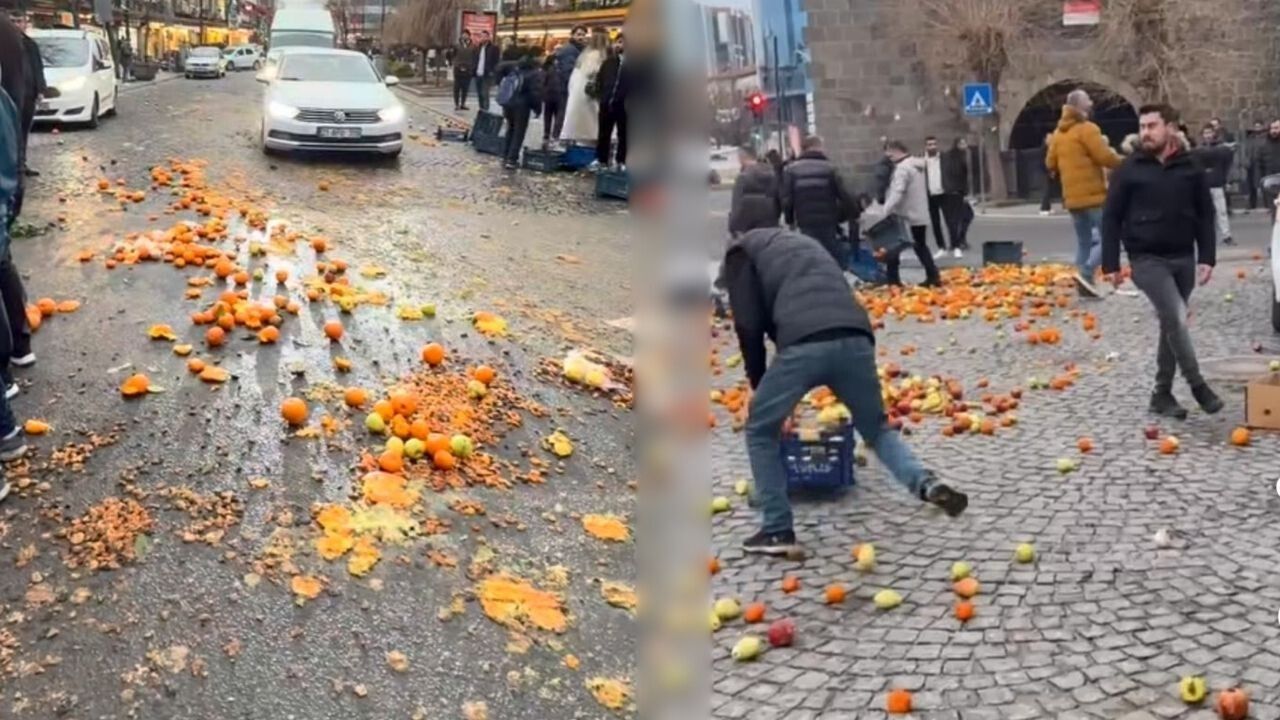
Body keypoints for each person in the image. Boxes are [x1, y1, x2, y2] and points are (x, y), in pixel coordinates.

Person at [720, 217, 967, 554]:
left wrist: (759, 383)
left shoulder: (741, 253)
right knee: (876, 429)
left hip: (804, 345)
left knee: (761, 429)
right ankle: (926, 484)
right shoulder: (804, 244)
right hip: (856, 335)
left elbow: (749, 324)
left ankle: (777, 529)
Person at [1101, 103, 1222, 420]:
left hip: (1183, 257)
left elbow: (1206, 214)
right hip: (1146, 259)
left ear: (1170, 127)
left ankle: (1161, 394)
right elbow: (1111, 217)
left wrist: (1207, 257)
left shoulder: (1190, 166)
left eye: (1152, 126)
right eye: (1142, 127)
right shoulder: (1129, 168)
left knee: (1171, 324)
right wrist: (1111, 263)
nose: (1145, 132)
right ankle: (1198, 386)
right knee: (1177, 317)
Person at [1046, 88, 1121, 298]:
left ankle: (1083, 281)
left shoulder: (1059, 134)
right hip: (1093, 195)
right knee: (1110, 236)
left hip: (1071, 198)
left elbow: (1049, 162)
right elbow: (1104, 156)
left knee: (1084, 241)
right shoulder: (1088, 129)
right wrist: (1124, 163)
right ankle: (1087, 272)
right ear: (1080, 105)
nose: (1091, 103)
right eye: (1088, 100)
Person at [779, 135, 856, 264]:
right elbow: (844, 194)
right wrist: (853, 214)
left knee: (809, 252)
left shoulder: (791, 170)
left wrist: (790, 220)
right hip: (828, 218)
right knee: (831, 252)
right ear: (818, 147)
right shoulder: (830, 168)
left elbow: (787, 199)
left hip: (805, 219)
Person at [882, 140, 942, 287]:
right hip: (919, 212)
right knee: (921, 245)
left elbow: (898, 191)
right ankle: (933, 275)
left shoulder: (902, 168)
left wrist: (885, 210)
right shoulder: (917, 165)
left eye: (890, 153)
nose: (889, 156)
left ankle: (893, 280)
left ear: (897, 150)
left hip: (905, 214)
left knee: (893, 246)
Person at [494, 50, 544, 170]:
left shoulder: (515, 68)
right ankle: (512, 159)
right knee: (519, 132)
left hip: (509, 103)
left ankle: (505, 155)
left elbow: (499, 67)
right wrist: (538, 109)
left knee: (510, 129)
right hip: (522, 106)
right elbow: (535, 94)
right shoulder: (535, 73)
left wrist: (498, 82)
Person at [557, 32, 607, 148]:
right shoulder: (597, 55)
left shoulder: (584, 55)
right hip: (587, 96)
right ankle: (587, 152)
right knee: (590, 126)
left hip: (577, 93)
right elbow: (593, 72)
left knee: (580, 127)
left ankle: (579, 149)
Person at [591, 32, 627, 170]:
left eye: (623, 42)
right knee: (603, 133)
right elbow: (600, 80)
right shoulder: (608, 62)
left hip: (625, 105)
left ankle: (621, 161)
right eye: (618, 42)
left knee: (623, 134)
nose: (620, 45)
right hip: (606, 103)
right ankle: (601, 159)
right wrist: (602, 96)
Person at [546, 25, 588, 144]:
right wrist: (573, 85)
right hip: (565, 87)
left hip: (567, 86)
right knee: (563, 112)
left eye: (583, 34)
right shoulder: (570, 49)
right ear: (572, 35)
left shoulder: (579, 49)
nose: (581, 37)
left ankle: (559, 137)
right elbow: (567, 70)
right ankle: (558, 137)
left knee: (565, 113)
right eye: (578, 34)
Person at [922, 136, 961, 258]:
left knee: (951, 221)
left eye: (934, 144)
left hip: (945, 193)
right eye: (929, 144)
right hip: (930, 194)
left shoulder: (945, 157)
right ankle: (941, 247)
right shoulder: (922, 160)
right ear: (925, 146)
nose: (932, 146)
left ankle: (955, 246)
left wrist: (954, 188)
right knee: (935, 223)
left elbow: (953, 173)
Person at [728, 145, 780, 237]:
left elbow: (736, 204)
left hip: (748, 227)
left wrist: (732, 226)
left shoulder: (742, 178)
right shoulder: (771, 174)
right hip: (769, 224)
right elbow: (778, 199)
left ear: (742, 157)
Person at [1196, 125, 1235, 245]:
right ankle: (1204, 236)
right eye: (1205, 133)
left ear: (1214, 134)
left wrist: (1226, 180)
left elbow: (1227, 164)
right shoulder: (1200, 150)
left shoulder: (1221, 149)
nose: (1208, 135)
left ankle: (1226, 235)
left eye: (1210, 132)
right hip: (1203, 185)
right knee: (1204, 213)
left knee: (1221, 211)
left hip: (1217, 184)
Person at [942, 137, 971, 251]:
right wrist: (964, 193)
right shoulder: (957, 157)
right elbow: (959, 176)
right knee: (963, 216)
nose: (965, 145)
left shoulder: (950, 156)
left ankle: (957, 241)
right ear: (957, 144)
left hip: (950, 191)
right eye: (963, 143)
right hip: (956, 192)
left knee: (957, 218)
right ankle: (957, 242)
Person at [473, 30, 499, 112]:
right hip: (478, 73)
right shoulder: (478, 48)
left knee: (485, 93)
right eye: (481, 36)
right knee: (479, 94)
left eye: (484, 36)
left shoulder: (494, 48)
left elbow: (496, 61)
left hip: (487, 74)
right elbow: (475, 60)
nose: (482, 38)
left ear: (488, 37)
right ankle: (481, 109)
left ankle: (485, 110)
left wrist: (492, 71)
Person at [451, 30, 476, 111]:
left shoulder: (473, 46)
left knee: (465, 88)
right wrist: (455, 64)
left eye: (466, 35)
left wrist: (472, 67)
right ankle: (456, 104)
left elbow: (475, 57)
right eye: (463, 35)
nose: (465, 36)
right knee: (457, 88)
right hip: (458, 69)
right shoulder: (456, 46)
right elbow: (452, 55)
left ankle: (463, 103)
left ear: (469, 36)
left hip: (468, 69)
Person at [1245, 119, 1267, 210]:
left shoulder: (1265, 137)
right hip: (1251, 163)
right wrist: (1246, 160)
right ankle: (1252, 203)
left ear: (1262, 127)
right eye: (1255, 126)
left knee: (1264, 184)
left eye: (1259, 126)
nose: (1257, 128)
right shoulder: (1250, 138)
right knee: (1251, 185)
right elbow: (1247, 150)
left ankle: (1267, 203)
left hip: (1262, 163)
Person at [1039, 132, 1060, 215]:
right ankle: (1043, 208)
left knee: (1050, 190)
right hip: (1044, 172)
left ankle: (1048, 207)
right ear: (1046, 139)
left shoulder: (1051, 148)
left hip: (1049, 171)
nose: (1051, 140)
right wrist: (1049, 171)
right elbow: (1043, 162)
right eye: (1050, 138)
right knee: (1046, 190)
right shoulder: (1044, 149)